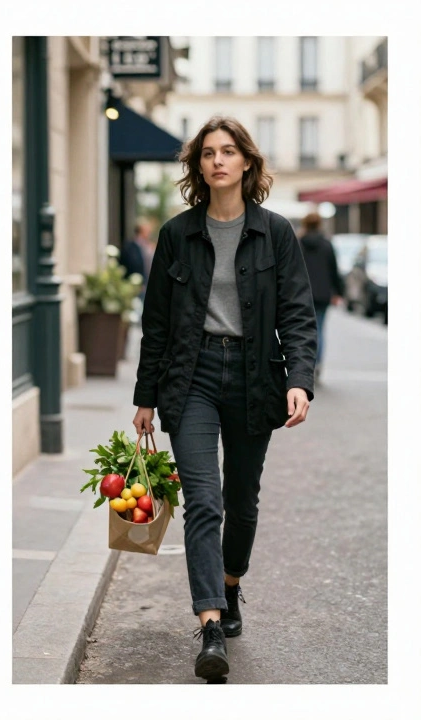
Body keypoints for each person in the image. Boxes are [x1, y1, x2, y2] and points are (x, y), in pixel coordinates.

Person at [131, 116, 317, 682]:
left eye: (228, 151)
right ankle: (210, 623)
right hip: (192, 377)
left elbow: (297, 314)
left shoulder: (275, 233)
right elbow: (156, 322)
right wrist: (145, 396)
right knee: (203, 501)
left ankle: (231, 585)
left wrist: (299, 379)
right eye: (208, 152)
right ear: (199, 167)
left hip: (256, 377)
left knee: (243, 502)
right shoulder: (176, 235)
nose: (217, 160)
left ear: (246, 164)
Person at [297, 212, 345, 381]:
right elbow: (334, 270)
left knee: (303, 330)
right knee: (319, 329)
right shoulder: (326, 244)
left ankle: (305, 365)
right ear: (319, 224)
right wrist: (338, 292)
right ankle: (317, 365)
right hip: (323, 294)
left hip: (302, 293)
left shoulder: (298, 243)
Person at [119, 220, 155, 289]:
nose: (150, 233)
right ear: (142, 231)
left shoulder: (149, 246)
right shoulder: (130, 247)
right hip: (135, 286)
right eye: (148, 231)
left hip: (147, 284)